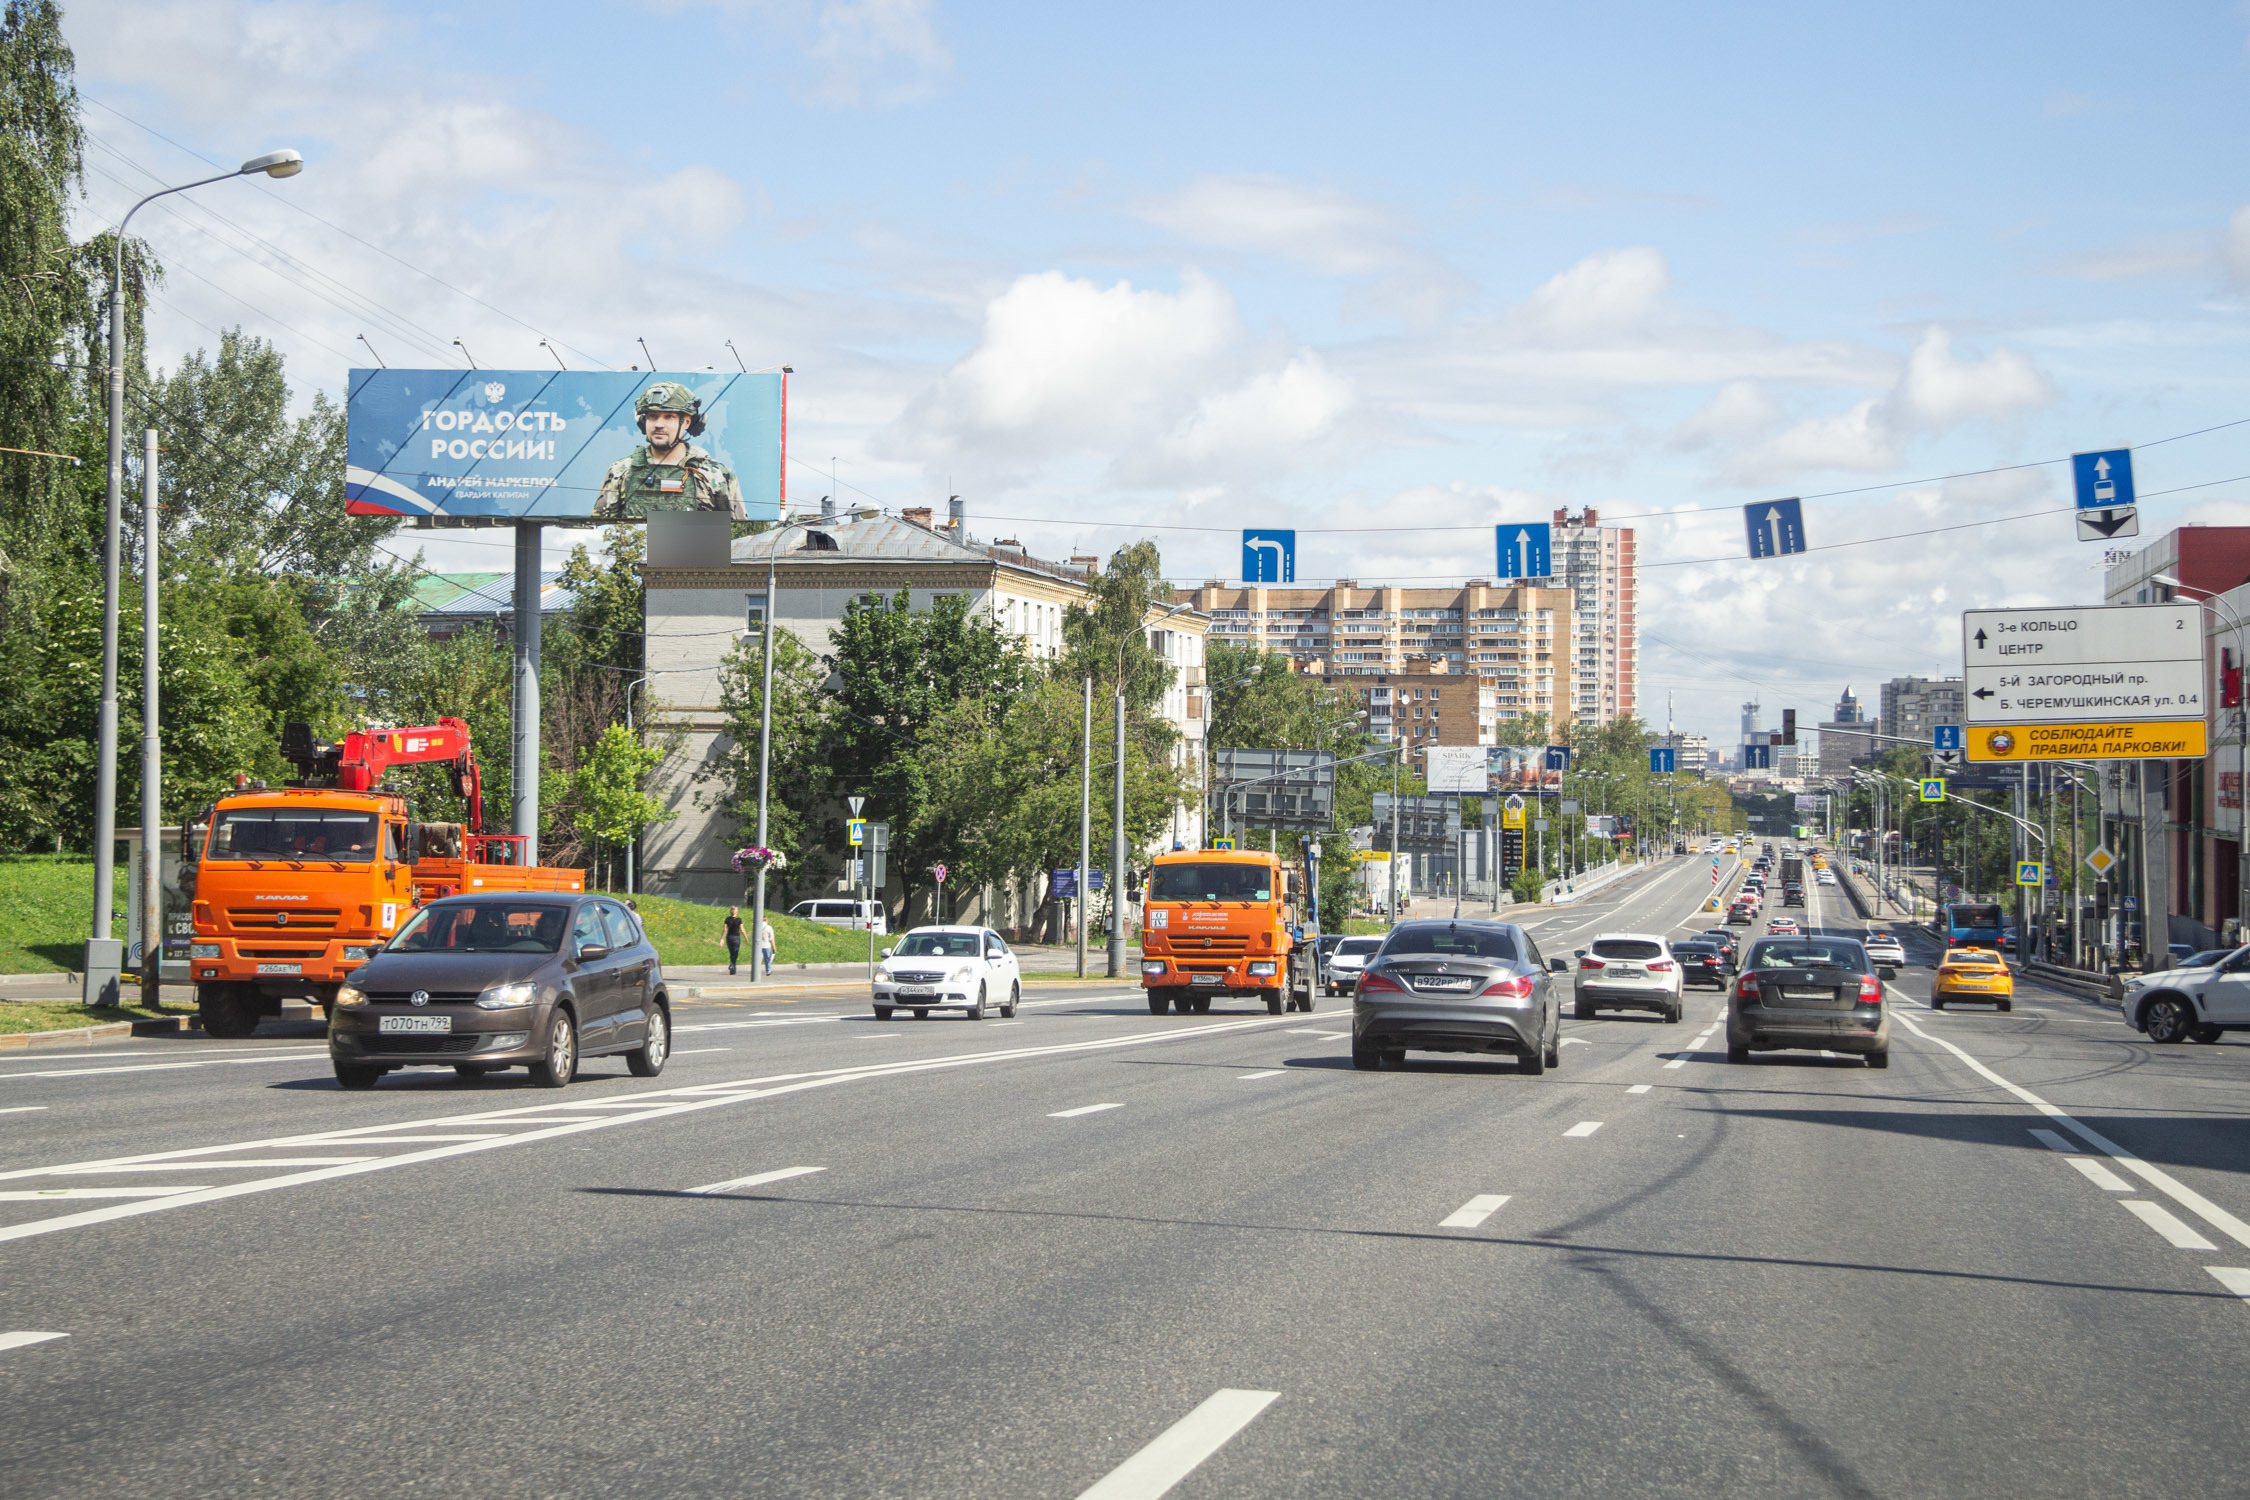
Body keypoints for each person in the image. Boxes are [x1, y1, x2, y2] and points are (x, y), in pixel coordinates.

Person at [593, 381, 746, 520]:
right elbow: (602, 523)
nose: (659, 424)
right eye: (653, 416)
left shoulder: (717, 474)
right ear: (643, 422)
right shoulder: (621, 471)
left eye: (668, 417)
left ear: (686, 422)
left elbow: (736, 526)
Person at [722, 906, 744, 975]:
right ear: (736, 911)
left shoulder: (727, 919)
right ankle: (731, 964)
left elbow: (725, 929)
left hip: (729, 937)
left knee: (732, 953)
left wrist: (722, 938)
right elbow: (742, 930)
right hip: (736, 938)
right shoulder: (739, 920)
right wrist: (746, 937)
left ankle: (733, 970)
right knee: (735, 953)